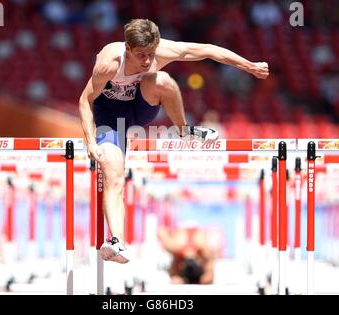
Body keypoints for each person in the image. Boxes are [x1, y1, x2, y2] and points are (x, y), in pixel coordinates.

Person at [78, 18, 269, 264]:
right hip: (111, 115)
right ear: (127, 49)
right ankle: (117, 242)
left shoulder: (162, 51)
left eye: (150, 54)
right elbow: (85, 100)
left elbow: (209, 50)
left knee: (162, 80)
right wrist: (91, 141)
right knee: (113, 175)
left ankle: (183, 130)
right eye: (140, 55)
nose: (147, 60)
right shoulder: (109, 63)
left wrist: (249, 66)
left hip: (142, 105)